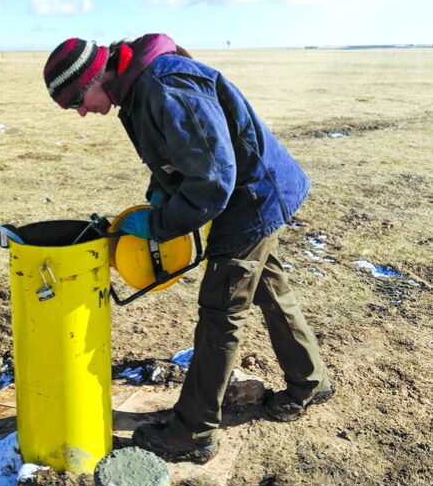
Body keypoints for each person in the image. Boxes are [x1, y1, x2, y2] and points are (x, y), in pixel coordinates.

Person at [43, 34, 333, 464]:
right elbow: (175, 157)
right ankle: (310, 382)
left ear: (96, 76)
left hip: (250, 199)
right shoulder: (137, 90)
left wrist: (159, 224)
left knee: (220, 312)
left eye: (78, 100)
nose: (83, 112)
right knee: (268, 288)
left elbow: (214, 180)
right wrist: (158, 196)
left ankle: (193, 433)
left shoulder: (163, 87)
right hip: (251, 193)